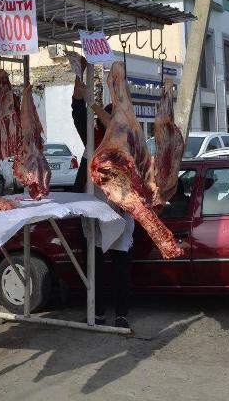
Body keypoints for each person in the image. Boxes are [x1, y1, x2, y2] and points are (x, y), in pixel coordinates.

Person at [71, 60, 134, 330]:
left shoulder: (124, 138)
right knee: (93, 263)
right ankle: (95, 312)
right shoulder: (92, 135)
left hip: (119, 208)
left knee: (120, 264)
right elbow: (76, 109)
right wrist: (80, 72)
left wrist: (93, 102)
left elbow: (113, 125)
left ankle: (121, 313)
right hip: (94, 207)